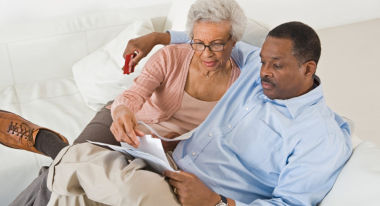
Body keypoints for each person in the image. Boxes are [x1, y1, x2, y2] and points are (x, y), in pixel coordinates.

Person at [0, 1, 352, 206]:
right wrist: (158, 37)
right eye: (263, 61)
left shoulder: (320, 137)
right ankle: (65, 155)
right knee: (72, 197)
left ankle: (52, 146)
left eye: (277, 65)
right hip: (163, 164)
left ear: (309, 69)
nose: (264, 72)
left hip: (196, 200)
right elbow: (205, 37)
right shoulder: (252, 71)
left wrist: (217, 201)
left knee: (86, 163)